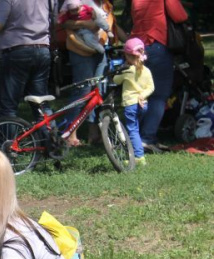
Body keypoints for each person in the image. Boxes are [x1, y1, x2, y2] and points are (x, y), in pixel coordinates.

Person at [61, 0, 126, 147]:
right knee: (82, 91)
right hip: (81, 51)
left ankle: (94, 133)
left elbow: (112, 26)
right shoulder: (77, 2)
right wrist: (86, 24)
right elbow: (63, 23)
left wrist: (129, 41)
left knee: (98, 91)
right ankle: (70, 133)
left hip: (100, 51)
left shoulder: (105, 4)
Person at [130, 0, 188, 153]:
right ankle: (147, 138)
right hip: (156, 43)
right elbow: (180, 15)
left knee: (140, 93)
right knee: (159, 95)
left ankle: (135, 137)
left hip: (137, 47)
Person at [0, 0, 52, 118]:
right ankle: (49, 135)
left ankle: (9, 136)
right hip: (42, 49)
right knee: (41, 102)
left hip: (17, 51)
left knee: (8, 106)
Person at [114, 38, 154, 166]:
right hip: (143, 104)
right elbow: (151, 87)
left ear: (127, 55)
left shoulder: (127, 71)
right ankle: (137, 151)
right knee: (136, 128)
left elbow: (116, 80)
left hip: (131, 104)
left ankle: (139, 156)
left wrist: (119, 69)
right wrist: (142, 95)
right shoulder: (146, 71)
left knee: (133, 130)